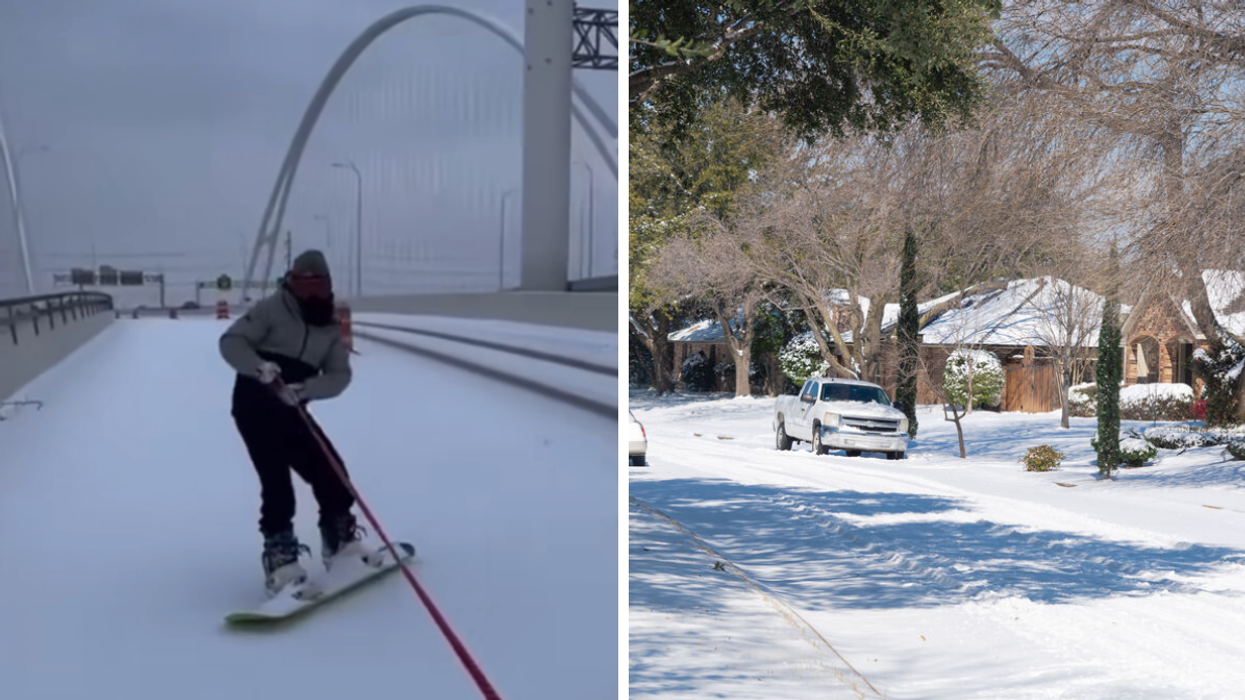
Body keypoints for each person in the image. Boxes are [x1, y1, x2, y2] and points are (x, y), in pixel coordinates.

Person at [219, 249, 381, 595]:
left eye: (318, 286)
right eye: (302, 285)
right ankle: (281, 559)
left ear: (328, 287)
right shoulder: (271, 309)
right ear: (290, 283)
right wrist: (258, 367)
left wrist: (306, 388)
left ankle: (340, 545)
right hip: (254, 403)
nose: (310, 294)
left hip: (293, 407)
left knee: (334, 474)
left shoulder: (329, 324)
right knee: (276, 483)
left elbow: (339, 375)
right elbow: (231, 341)